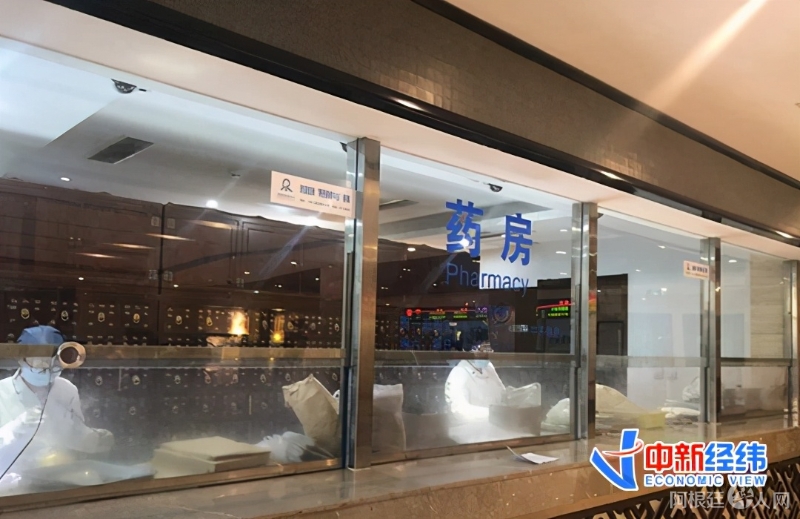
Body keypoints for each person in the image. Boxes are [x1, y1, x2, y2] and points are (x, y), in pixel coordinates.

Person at [0, 325, 113, 483]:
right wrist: (16, 429)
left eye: (54, 364)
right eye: (39, 362)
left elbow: (74, 434)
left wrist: (94, 438)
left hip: (59, 472)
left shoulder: (67, 389)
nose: (47, 369)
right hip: (13, 478)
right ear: (20, 358)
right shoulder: (2, 392)